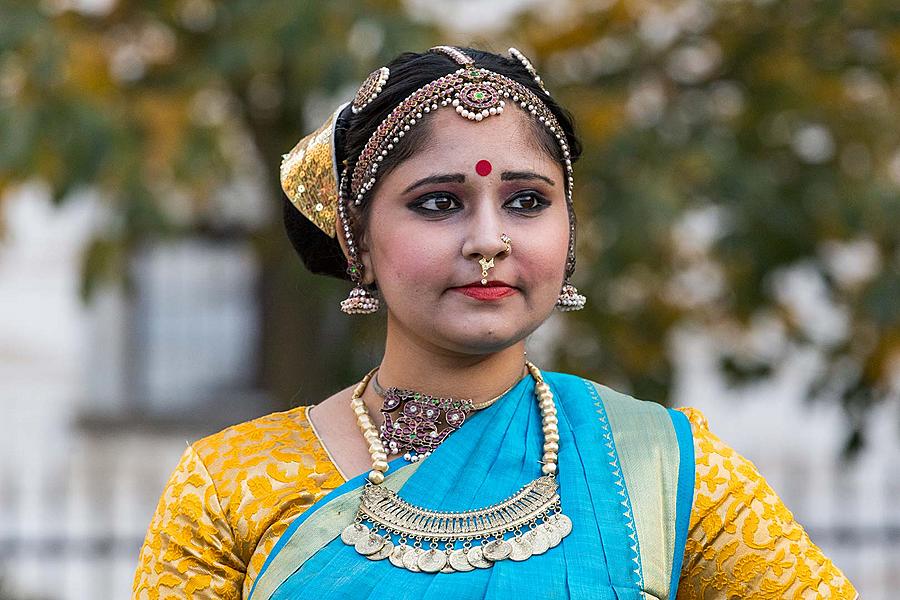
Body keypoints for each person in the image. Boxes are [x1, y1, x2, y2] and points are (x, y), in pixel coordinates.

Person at [132, 46, 857, 600]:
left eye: (527, 201)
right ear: (359, 243)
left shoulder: (667, 469)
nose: (489, 241)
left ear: (569, 234)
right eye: (439, 203)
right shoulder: (230, 484)